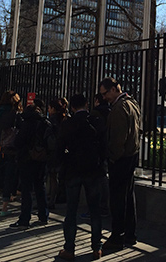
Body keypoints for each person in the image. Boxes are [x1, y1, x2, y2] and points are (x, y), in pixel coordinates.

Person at [57, 93, 107, 261]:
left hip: (73, 170)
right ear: (86, 104)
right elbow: (104, 146)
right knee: (95, 211)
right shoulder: (96, 122)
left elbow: (59, 147)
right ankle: (96, 248)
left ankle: (69, 249)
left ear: (72, 107)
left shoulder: (68, 124)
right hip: (93, 171)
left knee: (71, 210)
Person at [98, 77, 141, 252]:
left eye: (105, 93)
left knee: (117, 198)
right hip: (132, 155)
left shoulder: (118, 108)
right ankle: (130, 233)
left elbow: (117, 139)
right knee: (128, 196)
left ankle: (118, 236)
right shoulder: (132, 103)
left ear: (115, 89)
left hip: (121, 158)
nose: (104, 97)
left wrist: (113, 157)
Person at [9, 104, 50, 230]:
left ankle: (25, 218)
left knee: (26, 189)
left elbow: (18, 142)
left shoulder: (26, 124)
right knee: (40, 186)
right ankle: (43, 215)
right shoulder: (45, 123)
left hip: (26, 159)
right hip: (41, 158)